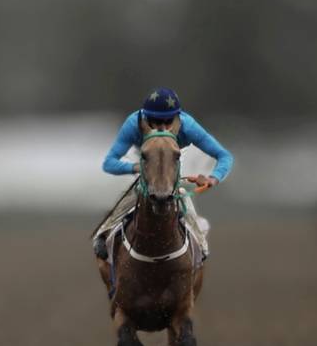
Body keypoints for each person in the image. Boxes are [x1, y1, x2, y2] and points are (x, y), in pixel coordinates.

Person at [92, 87, 233, 260]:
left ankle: (200, 244)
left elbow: (224, 156)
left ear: (177, 119)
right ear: (145, 118)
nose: (161, 128)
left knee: (182, 195)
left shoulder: (188, 126)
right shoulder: (133, 124)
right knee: (134, 193)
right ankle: (103, 232)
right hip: (144, 161)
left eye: (167, 121)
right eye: (155, 121)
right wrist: (138, 167)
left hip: (172, 162)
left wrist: (214, 178)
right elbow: (109, 163)